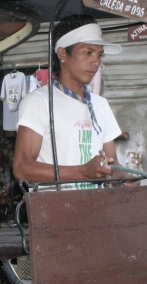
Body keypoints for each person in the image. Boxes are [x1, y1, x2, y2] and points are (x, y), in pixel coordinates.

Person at [14, 15, 124, 186]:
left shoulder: (100, 104)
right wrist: (82, 172)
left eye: (99, 54)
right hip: (56, 210)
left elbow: (112, 163)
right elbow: (22, 168)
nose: (96, 62)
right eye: (88, 52)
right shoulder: (39, 102)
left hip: (98, 208)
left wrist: (124, 177)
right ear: (63, 53)